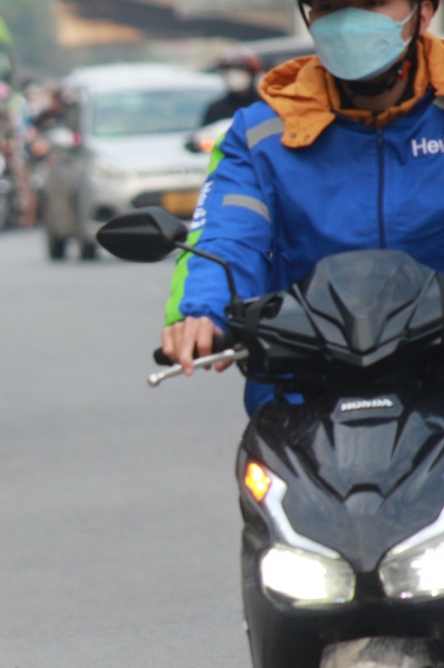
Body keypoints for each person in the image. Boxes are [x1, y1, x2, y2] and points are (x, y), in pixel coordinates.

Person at [161, 0, 444, 418]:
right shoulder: (259, 134)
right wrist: (203, 311)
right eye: (329, 6)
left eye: (371, 3)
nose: (348, 23)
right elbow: (227, 236)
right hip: (305, 400)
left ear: (424, 11)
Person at [202, 51, 263, 124]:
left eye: (240, 70)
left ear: (252, 74)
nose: (234, 76)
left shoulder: (265, 106)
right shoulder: (216, 109)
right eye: (228, 72)